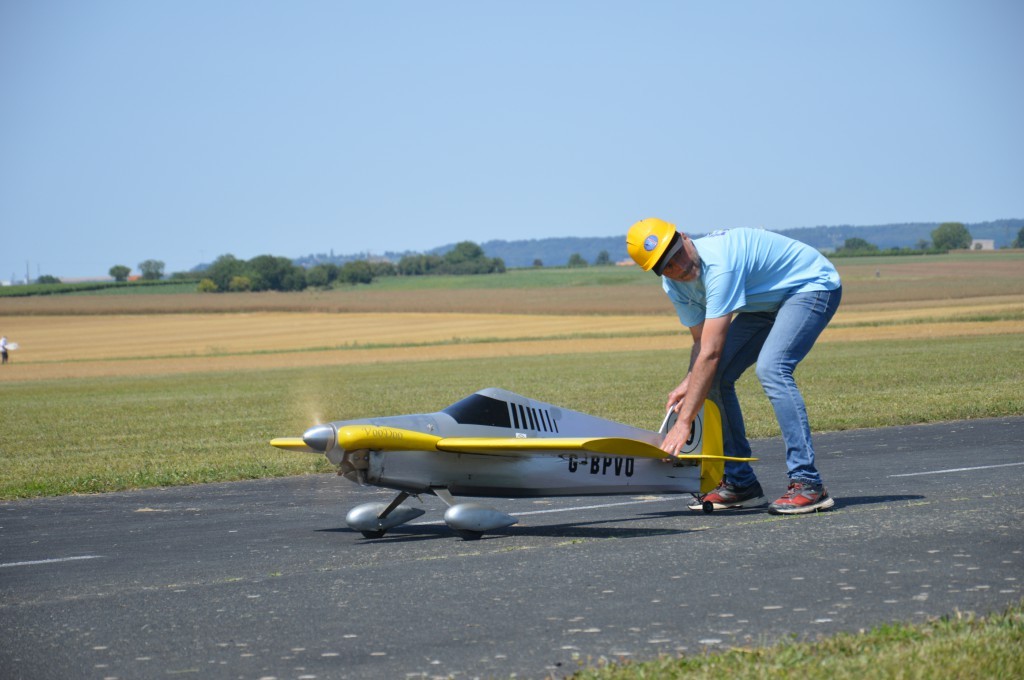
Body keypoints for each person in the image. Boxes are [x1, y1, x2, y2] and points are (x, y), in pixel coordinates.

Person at [626, 218, 842, 514]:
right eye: (668, 266)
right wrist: (689, 380)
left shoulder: (719, 265)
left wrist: (684, 422)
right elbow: (701, 344)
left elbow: (712, 353)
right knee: (711, 380)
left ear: (685, 237)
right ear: (657, 273)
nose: (680, 266)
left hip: (810, 285)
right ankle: (741, 485)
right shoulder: (675, 287)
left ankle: (808, 483)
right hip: (765, 303)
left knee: (772, 368)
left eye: (678, 252)